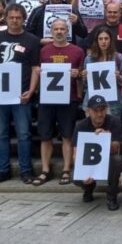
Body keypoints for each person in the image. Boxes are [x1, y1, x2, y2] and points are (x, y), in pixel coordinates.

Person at [0, 3, 40, 184]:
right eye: (11, 18)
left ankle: (26, 170)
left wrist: (31, 91)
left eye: (18, 18)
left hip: (21, 94)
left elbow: (35, 68)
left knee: (24, 134)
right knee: (0, 133)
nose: (15, 21)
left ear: (23, 19)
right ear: (6, 18)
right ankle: (3, 170)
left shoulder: (31, 40)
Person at [34, 18, 85, 187]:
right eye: (56, 29)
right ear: (51, 31)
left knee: (67, 136)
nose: (59, 32)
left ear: (67, 31)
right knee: (45, 136)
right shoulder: (43, 51)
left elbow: (82, 75)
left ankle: (66, 169)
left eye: (63, 29)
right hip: (47, 99)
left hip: (68, 99)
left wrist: (77, 74)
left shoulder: (77, 51)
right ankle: (45, 170)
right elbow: (36, 71)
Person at [73, 95, 122, 211]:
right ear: (88, 111)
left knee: (117, 160)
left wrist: (106, 138)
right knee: (75, 176)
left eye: (102, 110)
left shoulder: (114, 121)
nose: (99, 114)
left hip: (108, 160)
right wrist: (84, 172)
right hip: (89, 161)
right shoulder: (81, 126)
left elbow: (116, 149)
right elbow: (76, 154)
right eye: (95, 111)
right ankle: (88, 188)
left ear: (106, 109)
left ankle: (111, 196)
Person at [85, 26, 122, 123]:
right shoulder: (89, 58)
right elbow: (86, 84)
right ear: (97, 41)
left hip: (113, 103)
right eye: (100, 39)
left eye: (106, 38)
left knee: (112, 131)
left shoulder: (119, 57)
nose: (103, 41)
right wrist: (84, 76)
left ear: (110, 40)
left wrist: (118, 77)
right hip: (92, 101)